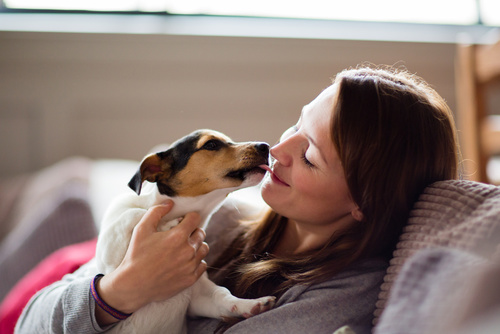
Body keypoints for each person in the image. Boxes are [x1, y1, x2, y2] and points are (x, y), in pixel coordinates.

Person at [15, 64, 460, 334]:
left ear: (364, 200)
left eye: (308, 155)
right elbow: (28, 324)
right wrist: (115, 292)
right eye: (295, 126)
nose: (277, 150)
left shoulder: (336, 300)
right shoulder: (220, 222)